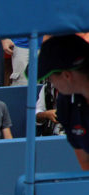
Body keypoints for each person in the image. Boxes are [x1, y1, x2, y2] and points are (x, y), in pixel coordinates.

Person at [37, 34, 89, 170]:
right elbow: (84, 163)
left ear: (67, 76)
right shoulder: (66, 103)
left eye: (51, 78)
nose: (50, 83)